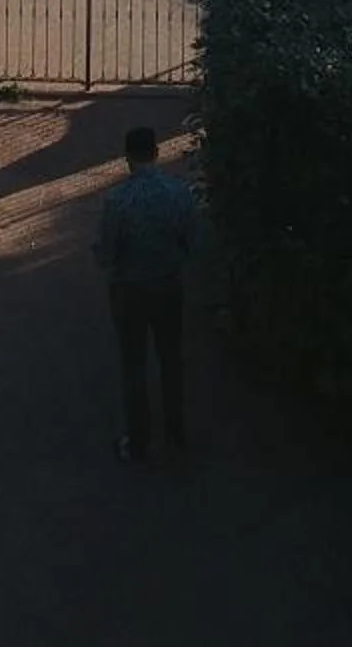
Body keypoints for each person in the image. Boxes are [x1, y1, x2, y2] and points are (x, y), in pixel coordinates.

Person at [94, 122, 200, 462]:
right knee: (171, 358)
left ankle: (138, 440)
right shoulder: (179, 193)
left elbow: (107, 255)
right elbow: (192, 242)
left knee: (134, 364)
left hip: (130, 289)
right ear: (156, 154)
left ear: (128, 158)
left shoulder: (117, 200)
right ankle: (176, 430)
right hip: (168, 284)